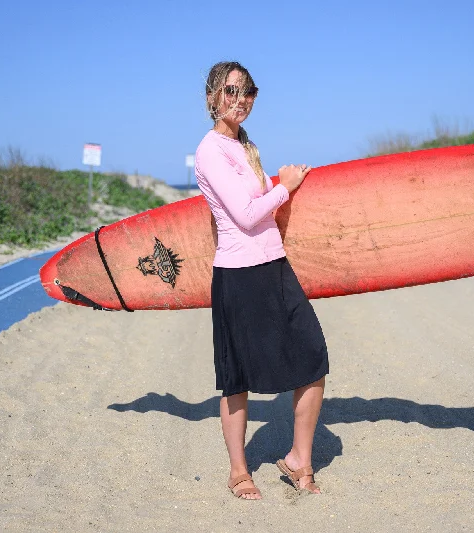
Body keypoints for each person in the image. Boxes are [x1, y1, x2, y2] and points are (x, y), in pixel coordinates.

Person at [195, 61, 329, 500]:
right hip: (237, 275)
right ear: (214, 96)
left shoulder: (246, 148)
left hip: (274, 266)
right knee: (237, 377)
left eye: (248, 91)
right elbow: (247, 214)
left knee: (312, 356)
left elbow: (263, 215)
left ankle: (298, 460)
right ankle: (239, 471)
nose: (241, 100)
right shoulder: (210, 150)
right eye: (232, 91)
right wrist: (285, 186)